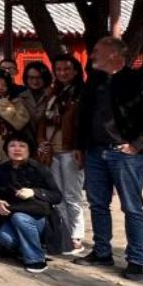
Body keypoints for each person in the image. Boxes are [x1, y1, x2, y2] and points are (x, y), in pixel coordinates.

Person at [74, 36, 143, 280]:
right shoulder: (95, 80)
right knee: (97, 204)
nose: (92, 55)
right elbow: (84, 115)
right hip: (95, 151)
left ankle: (135, 260)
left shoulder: (138, 80)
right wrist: (80, 146)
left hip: (125, 155)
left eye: (96, 51)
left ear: (113, 54)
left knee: (132, 208)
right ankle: (102, 251)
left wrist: (137, 145)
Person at [0, 134, 63, 274]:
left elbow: (57, 196)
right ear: (6, 149)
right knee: (3, 237)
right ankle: (29, 249)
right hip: (12, 216)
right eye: (12, 146)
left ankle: (36, 260)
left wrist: (34, 192)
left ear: (29, 150)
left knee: (20, 217)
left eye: (22, 146)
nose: (17, 149)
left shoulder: (39, 169)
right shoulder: (1, 170)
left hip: (39, 218)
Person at [41, 54, 86, 256]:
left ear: (76, 71)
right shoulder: (53, 92)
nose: (62, 73)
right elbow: (43, 120)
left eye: (67, 69)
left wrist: (79, 147)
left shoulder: (81, 93)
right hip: (52, 150)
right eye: (58, 69)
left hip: (70, 150)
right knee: (57, 195)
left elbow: (81, 124)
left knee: (72, 195)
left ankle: (77, 235)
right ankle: (63, 234)